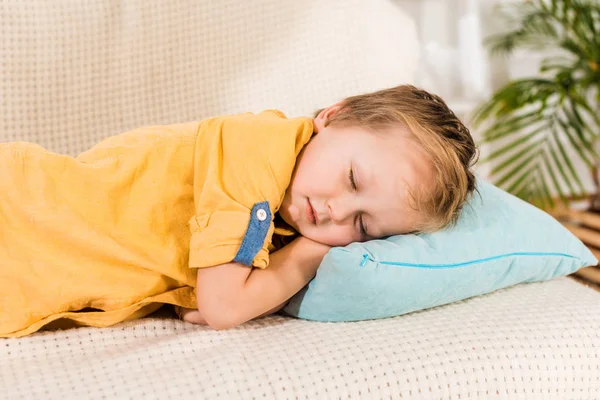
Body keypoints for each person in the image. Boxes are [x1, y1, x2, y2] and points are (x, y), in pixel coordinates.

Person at [0, 85, 478, 338]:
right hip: (20, 213)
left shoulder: (287, 223)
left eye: (362, 224)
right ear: (333, 115)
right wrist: (306, 258)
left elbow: (227, 298)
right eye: (353, 180)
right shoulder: (258, 149)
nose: (335, 212)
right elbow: (224, 305)